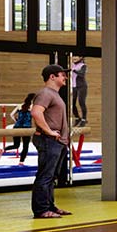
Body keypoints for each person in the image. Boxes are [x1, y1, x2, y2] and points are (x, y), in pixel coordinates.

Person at [29, 64, 72, 219]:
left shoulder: (54, 94)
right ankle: (41, 210)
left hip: (57, 142)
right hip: (49, 140)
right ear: (52, 77)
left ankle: (50, 207)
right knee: (45, 176)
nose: (65, 77)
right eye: (62, 75)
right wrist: (49, 131)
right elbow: (36, 112)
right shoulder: (46, 93)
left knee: (51, 177)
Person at [69, 56, 88, 126]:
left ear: (80, 58)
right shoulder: (71, 64)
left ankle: (84, 118)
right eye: (73, 56)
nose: (74, 58)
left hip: (82, 86)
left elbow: (82, 74)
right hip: (74, 86)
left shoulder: (83, 66)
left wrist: (73, 70)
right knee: (72, 103)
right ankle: (77, 117)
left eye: (76, 57)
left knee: (81, 102)